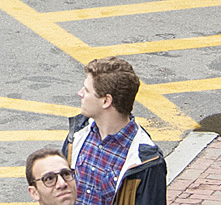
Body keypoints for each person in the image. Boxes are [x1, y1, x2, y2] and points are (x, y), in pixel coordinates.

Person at [63, 58, 168, 205]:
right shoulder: (78, 133)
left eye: (87, 90)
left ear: (106, 101)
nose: (80, 93)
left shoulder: (146, 161)